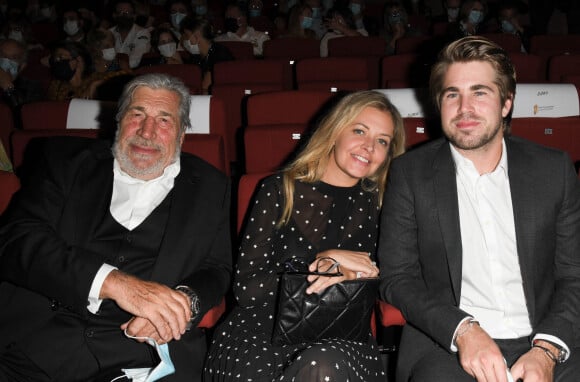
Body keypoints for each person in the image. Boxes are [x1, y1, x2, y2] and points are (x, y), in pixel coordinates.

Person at [0, 73, 233, 381]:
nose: (147, 132)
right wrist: (115, 283)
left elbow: (217, 269)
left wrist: (183, 304)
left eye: (164, 120)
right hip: (32, 345)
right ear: (119, 121)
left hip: (143, 353)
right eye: (137, 115)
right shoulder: (63, 160)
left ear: (181, 135)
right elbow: (17, 240)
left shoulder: (211, 186)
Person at [378, 35, 580, 382]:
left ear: (506, 103)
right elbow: (397, 277)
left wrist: (547, 349)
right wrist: (463, 330)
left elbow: (573, 274)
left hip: (547, 339)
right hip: (447, 344)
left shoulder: (553, 170)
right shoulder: (410, 173)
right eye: (452, 94)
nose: (464, 108)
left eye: (480, 92)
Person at [204, 90, 406, 381]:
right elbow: (247, 289)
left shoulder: (385, 202)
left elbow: (395, 282)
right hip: (261, 328)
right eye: (359, 130)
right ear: (335, 130)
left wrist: (367, 274)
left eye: (382, 141)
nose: (369, 146)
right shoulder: (278, 189)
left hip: (342, 335)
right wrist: (321, 261)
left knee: (321, 366)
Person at [180, 16, 233, 94]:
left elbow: (204, 88)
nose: (183, 39)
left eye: (186, 35)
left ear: (196, 36)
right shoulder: (195, 56)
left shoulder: (220, 53)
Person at [108, 0, 151, 68]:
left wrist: (115, 66)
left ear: (134, 16)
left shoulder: (142, 33)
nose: (124, 15)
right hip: (109, 73)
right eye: (120, 12)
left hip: (134, 74)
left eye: (127, 12)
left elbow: (137, 59)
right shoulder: (109, 33)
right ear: (114, 15)